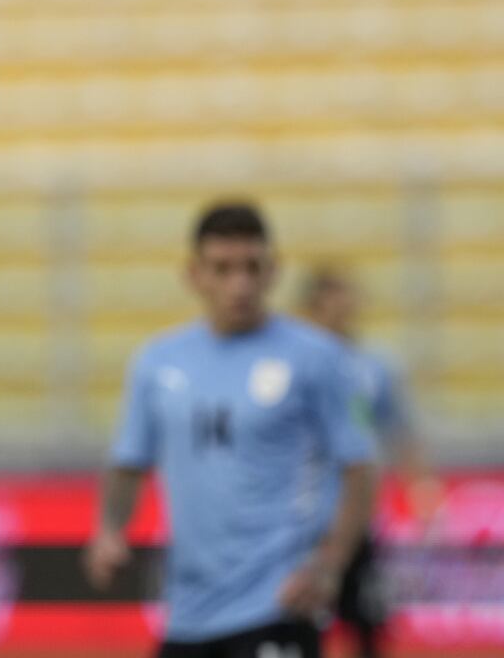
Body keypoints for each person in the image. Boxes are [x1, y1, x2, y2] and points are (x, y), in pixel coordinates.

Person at [83, 202, 376, 658]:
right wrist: (109, 530)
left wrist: (329, 565)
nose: (239, 284)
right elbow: (128, 462)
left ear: (273, 271)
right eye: (222, 269)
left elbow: (360, 467)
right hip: (188, 611)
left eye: (251, 267)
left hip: (278, 604)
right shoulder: (158, 362)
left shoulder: (317, 358)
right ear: (194, 274)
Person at [301, 267, 438, 658]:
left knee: (367, 622)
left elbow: (400, 430)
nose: (343, 310)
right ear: (312, 308)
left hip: (357, 517)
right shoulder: (295, 365)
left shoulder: (374, 365)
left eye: (347, 299)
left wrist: (422, 489)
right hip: (303, 519)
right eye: (333, 301)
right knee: (300, 625)